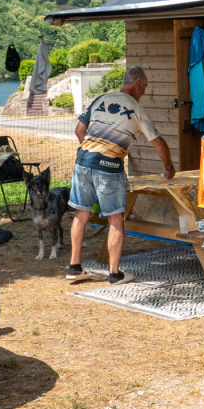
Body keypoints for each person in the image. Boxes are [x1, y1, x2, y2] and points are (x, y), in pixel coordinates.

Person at [66, 66, 174, 285]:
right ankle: (115, 274)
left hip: (83, 161)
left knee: (81, 213)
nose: (143, 92)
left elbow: (79, 130)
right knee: (115, 218)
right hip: (109, 167)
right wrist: (169, 168)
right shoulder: (136, 109)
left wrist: (92, 152)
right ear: (137, 85)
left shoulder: (100, 99)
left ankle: (74, 267)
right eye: (143, 88)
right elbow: (160, 144)